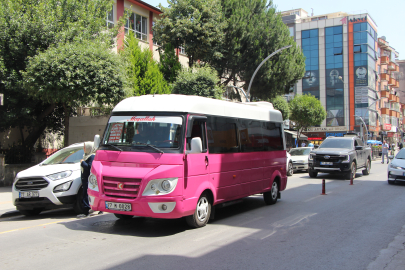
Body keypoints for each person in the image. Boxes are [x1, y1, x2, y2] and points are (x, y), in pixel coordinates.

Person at [77, 141, 102, 218]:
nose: (83, 149)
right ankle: (91, 210)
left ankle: (86, 211)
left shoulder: (91, 156)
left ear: (89, 148)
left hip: (88, 180)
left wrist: (82, 163)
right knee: (86, 195)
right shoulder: (86, 156)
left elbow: (89, 167)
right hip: (85, 179)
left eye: (85, 147)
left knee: (86, 195)